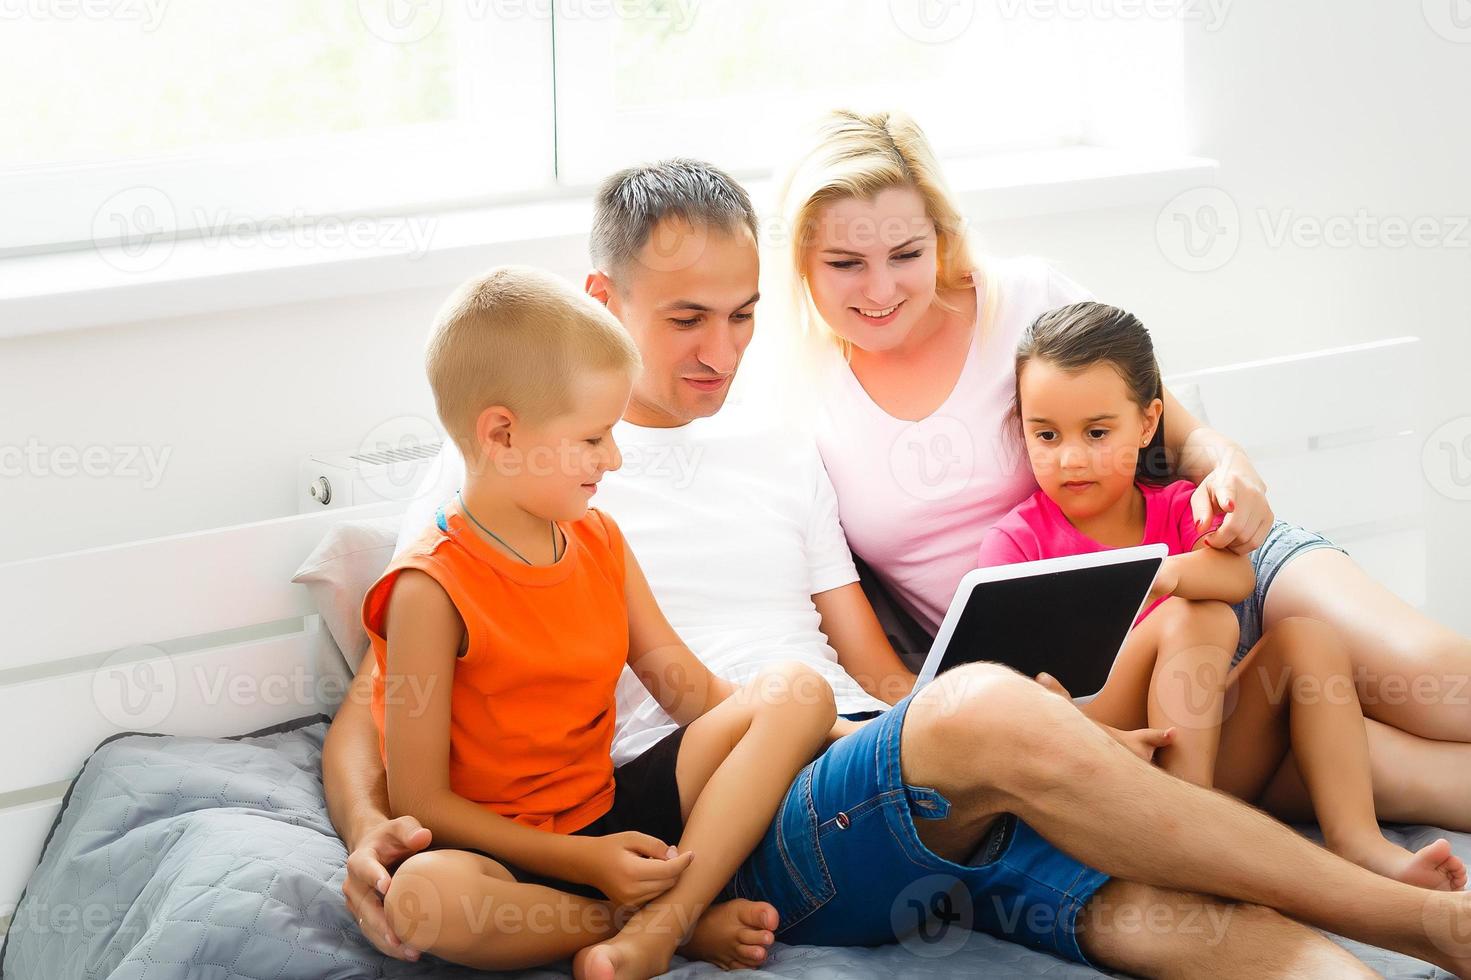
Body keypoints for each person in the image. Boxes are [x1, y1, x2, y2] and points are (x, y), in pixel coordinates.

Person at [326, 159, 1471, 978]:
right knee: (976, 716)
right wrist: (369, 824)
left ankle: (1392, 951)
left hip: (883, 769)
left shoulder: (782, 443)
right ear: (605, 303)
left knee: (1154, 903)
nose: (720, 350)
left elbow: (873, 662)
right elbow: (372, 705)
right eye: (685, 319)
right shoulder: (509, 463)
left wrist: (1024, 723)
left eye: (742, 314)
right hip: (743, 812)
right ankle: (1403, 911)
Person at [773, 106, 1471, 830]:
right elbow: (870, 656)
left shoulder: (1024, 299)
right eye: (845, 264)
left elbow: (1169, 421)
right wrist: (963, 734)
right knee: (1397, 770)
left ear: (941, 236)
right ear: (799, 258)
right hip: (1101, 685)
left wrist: (1232, 470)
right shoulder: (802, 409)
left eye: (905, 254)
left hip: (1213, 566)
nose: (880, 289)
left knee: (1438, 680)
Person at [364, 263, 838, 978]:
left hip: (613, 812)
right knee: (424, 901)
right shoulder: (427, 591)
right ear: (501, 435)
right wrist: (581, 860)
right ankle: (668, 926)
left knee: (798, 687)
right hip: (505, 854)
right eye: (593, 439)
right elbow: (419, 799)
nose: (612, 459)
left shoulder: (600, 541)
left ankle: (658, 927)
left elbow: (694, 697)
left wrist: (840, 725)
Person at [978, 299, 1466, 891]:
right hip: (1109, 755)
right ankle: (1189, 842)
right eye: (1046, 435)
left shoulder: (1179, 504)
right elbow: (1010, 691)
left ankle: (1357, 845)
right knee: (1195, 621)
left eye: (1098, 433)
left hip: (1209, 756)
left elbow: (1238, 579)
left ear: (1148, 423)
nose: (1071, 458)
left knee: (1306, 638)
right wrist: (1102, 736)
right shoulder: (1017, 542)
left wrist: (1155, 575)